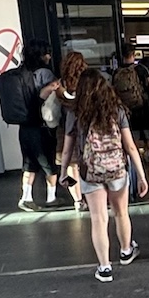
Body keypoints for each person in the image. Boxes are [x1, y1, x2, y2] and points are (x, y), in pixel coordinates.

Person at [59, 69, 148, 282]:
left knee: (98, 219)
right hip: (117, 169)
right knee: (121, 212)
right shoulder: (117, 110)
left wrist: (63, 172)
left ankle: (105, 267)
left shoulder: (75, 113)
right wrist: (143, 176)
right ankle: (126, 251)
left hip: (90, 172)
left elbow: (67, 149)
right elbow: (130, 146)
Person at [17, 39, 62, 212]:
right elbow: (55, 96)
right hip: (42, 125)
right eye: (47, 53)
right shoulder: (45, 73)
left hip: (25, 124)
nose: (49, 56)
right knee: (48, 162)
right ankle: (52, 197)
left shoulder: (20, 72)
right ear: (41, 55)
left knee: (29, 162)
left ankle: (26, 196)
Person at [55, 51, 88, 212]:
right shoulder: (87, 81)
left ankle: (77, 199)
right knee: (85, 160)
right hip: (84, 126)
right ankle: (89, 193)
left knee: (70, 165)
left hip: (65, 127)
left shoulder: (60, 84)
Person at [113, 44, 149, 147]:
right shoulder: (141, 69)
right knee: (148, 137)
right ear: (134, 54)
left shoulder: (116, 72)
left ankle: (136, 158)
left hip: (127, 111)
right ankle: (148, 160)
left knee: (133, 138)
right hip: (143, 109)